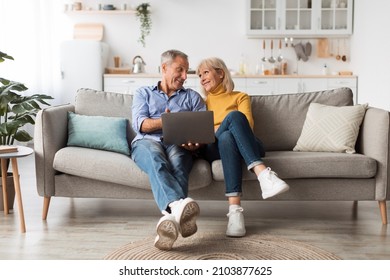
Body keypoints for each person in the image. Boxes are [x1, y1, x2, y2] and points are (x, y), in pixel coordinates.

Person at [196, 57, 289, 237]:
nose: (201, 78)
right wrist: (222, 125)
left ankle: (235, 215)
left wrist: (221, 127)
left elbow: (247, 127)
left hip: (243, 142)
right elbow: (203, 130)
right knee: (231, 122)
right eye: (199, 75)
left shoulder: (240, 96)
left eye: (205, 72)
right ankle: (263, 174)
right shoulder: (201, 102)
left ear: (220, 73)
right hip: (212, 147)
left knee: (228, 135)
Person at [131, 50, 206, 250]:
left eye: (186, 71)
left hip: (178, 143)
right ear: (164, 68)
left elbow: (203, 128)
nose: (184, 77)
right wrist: (165, 122)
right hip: (147, 142)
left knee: (179, 163)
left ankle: (169, 220)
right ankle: (177, 206)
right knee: (156, 160)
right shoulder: (143, 93)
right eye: (179, 70)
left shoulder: (192, 97)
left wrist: (197, 142)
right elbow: (141, 125)